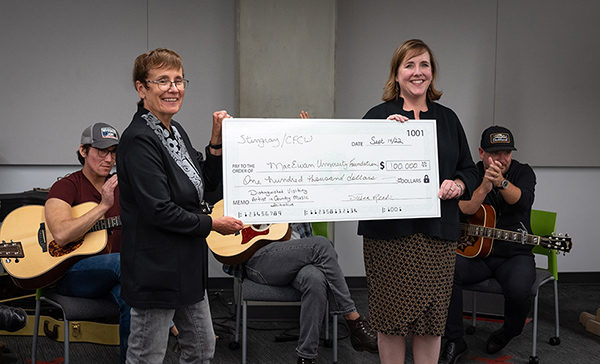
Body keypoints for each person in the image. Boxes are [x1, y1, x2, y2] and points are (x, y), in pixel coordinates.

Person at [117, 48, 244, 364]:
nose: (173, 88)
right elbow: (159, 210)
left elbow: (204, 188)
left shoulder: (174, 131)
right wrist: (213, 225)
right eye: (162, 81)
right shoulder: (138, 139)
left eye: (178, 80)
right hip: (156, 271)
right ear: (141, 88)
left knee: (201, 350)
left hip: (187, 267)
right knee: (147, 357)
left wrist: (216, 141)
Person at [357, 39, 479, 364]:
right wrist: (377, 139)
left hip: (437, 236)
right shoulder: (376, 118)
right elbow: (354, 168)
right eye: (409, 65)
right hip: (388, 238)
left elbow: (470, 169)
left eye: (424, 65)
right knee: (390, 323)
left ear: (432, 74)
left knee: (431, 323)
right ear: (396, 75)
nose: (417, 72)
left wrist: (459, 183)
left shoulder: (449, 119)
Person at [438, 126, 536, 364]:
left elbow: (522, 202)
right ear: (481, 153)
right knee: (445, 271)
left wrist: (501, 183)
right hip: (476, 253)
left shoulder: (523, 172)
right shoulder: (469, 173)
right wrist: (483, 188)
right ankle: (455, 339)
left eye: (507, 153)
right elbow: (461, 211)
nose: (502, 159)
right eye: (495, 153)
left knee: (520, 291)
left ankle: (507, 333)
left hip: (514, 255)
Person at [44, 122, 130, 363]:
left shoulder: (123, 187)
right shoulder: (66, 186)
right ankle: (172, 324)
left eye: (113, 152)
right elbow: (60, 235)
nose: (109, 159)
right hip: (72, 275)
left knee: (132, 295)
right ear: (83, 151)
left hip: (120, 274)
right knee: (125, 263)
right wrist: (103, 205)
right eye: (102, 151)